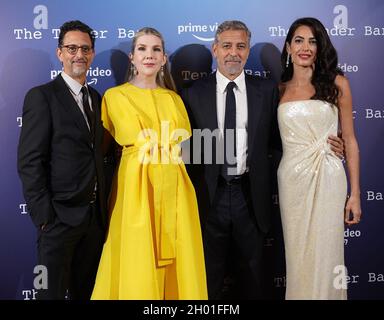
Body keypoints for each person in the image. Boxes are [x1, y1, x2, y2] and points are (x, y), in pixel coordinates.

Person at [181, 20, 345, 299]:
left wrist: (326, 142)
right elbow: (188, 151)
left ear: (247, 51)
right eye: (227, 46)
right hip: (209, 198)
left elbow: (281, 139)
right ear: (215, 49)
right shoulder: (192, 93)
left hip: (251, 197)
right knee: (207, 280)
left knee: (256, 280)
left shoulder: (267, 90)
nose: (234, 52)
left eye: (241, 46)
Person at [91, 27, 207, 300]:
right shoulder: (114, 97)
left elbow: (186, 148)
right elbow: (104, 150)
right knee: (136, 256)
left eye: (156, 49)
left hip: (175, 189)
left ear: (164, 58)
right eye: (142, 48)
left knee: (179, 257)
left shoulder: (175, 99)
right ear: (132, 57)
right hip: (135, 191)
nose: (149, 55)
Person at [17, 20, 107, 300]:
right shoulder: (41, 96)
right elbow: (30, 160)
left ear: (92, 53)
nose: (78, 54)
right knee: (48, 294)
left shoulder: (96, 97)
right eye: (71, 48)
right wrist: (45, 217)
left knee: (88, 293)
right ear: (60, 53)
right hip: (57, 221)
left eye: (85, 49)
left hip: (93, 221)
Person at [278, 17, 362, 300]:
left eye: (312, 41)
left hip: (329, 177)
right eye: (299, 40)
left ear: (320, 46)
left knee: (328, 256)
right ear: (288, 46)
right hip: (291, 182)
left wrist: (355, 194)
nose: (305, 47)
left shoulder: (338, 83)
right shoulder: (278, 90)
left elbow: (349, 140)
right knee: (298, 257)